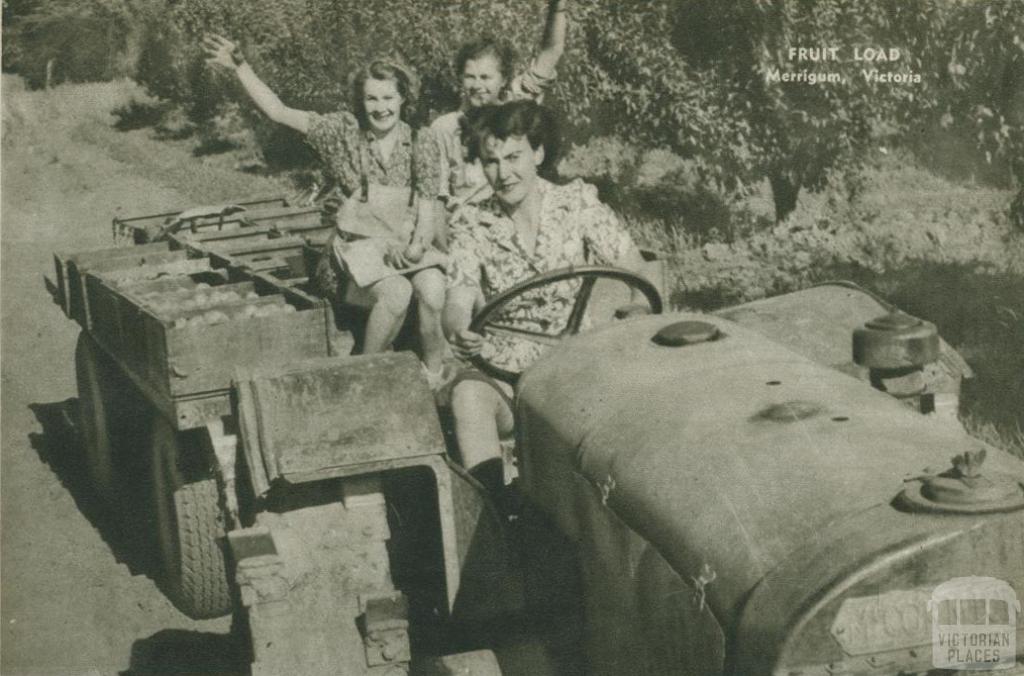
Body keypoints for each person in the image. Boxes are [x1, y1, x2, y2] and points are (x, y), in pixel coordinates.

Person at [202, 34, 449, 386]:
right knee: (397, 293)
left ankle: (434, 376)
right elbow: (278, 111)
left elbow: (427, 214)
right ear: (360, 102)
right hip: (354, 254)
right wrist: (241, 66)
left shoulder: (421, 142)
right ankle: (363, 373)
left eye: (388, 98)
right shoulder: (343, 131)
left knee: (435, 288)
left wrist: (412, 248)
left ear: (403, 97)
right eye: (371, 99)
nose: (380, 108)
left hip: (407, 250)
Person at [442, 101, 650, 493]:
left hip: (577, 356)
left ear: (537, 153)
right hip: (506, 372)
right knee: (468, 396)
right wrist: (458, 329)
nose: (503, 174)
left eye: (513, 157)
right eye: (491, 161)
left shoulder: (577, 203)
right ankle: (497, 521)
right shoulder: (471, 221)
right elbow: (457, 299)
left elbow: (634, 267)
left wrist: (636, 305)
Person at [431, 0, 570, 228]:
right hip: (471, 226)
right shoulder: (445, 128)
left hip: (522, 216)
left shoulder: (515, 108)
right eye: (469, 77)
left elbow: (551, 52)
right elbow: (436, 197)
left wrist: (558, 8)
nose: (477, 85)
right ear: (459, 78)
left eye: (485, 77)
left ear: (503, 79)